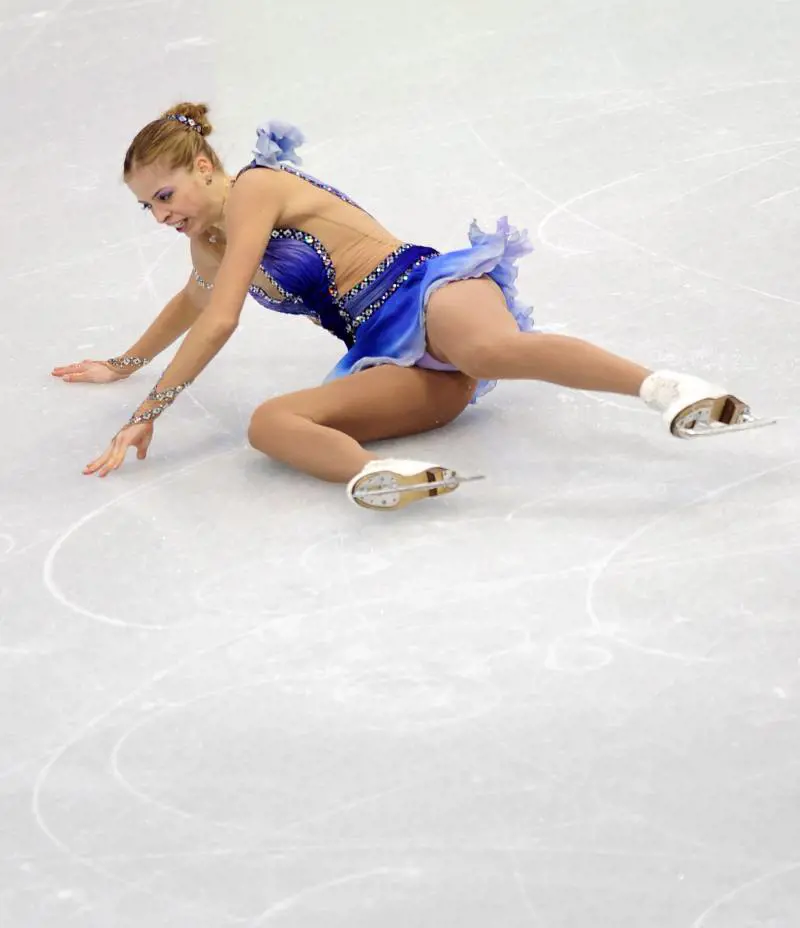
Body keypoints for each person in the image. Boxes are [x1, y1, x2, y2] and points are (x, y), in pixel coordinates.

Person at [51, 103, 763, 511]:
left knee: (485, 351)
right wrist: (124, 365)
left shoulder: (257, 189)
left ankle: (668, 389)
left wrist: (148, 412)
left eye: (165, 195)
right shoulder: (207, 244)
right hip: (387, 355)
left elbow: (222, 316)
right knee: (270, 424)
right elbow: (194, 301)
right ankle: (377, 474)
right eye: (146, 206)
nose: (160, 215)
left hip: (431, 293)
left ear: (204, 167)